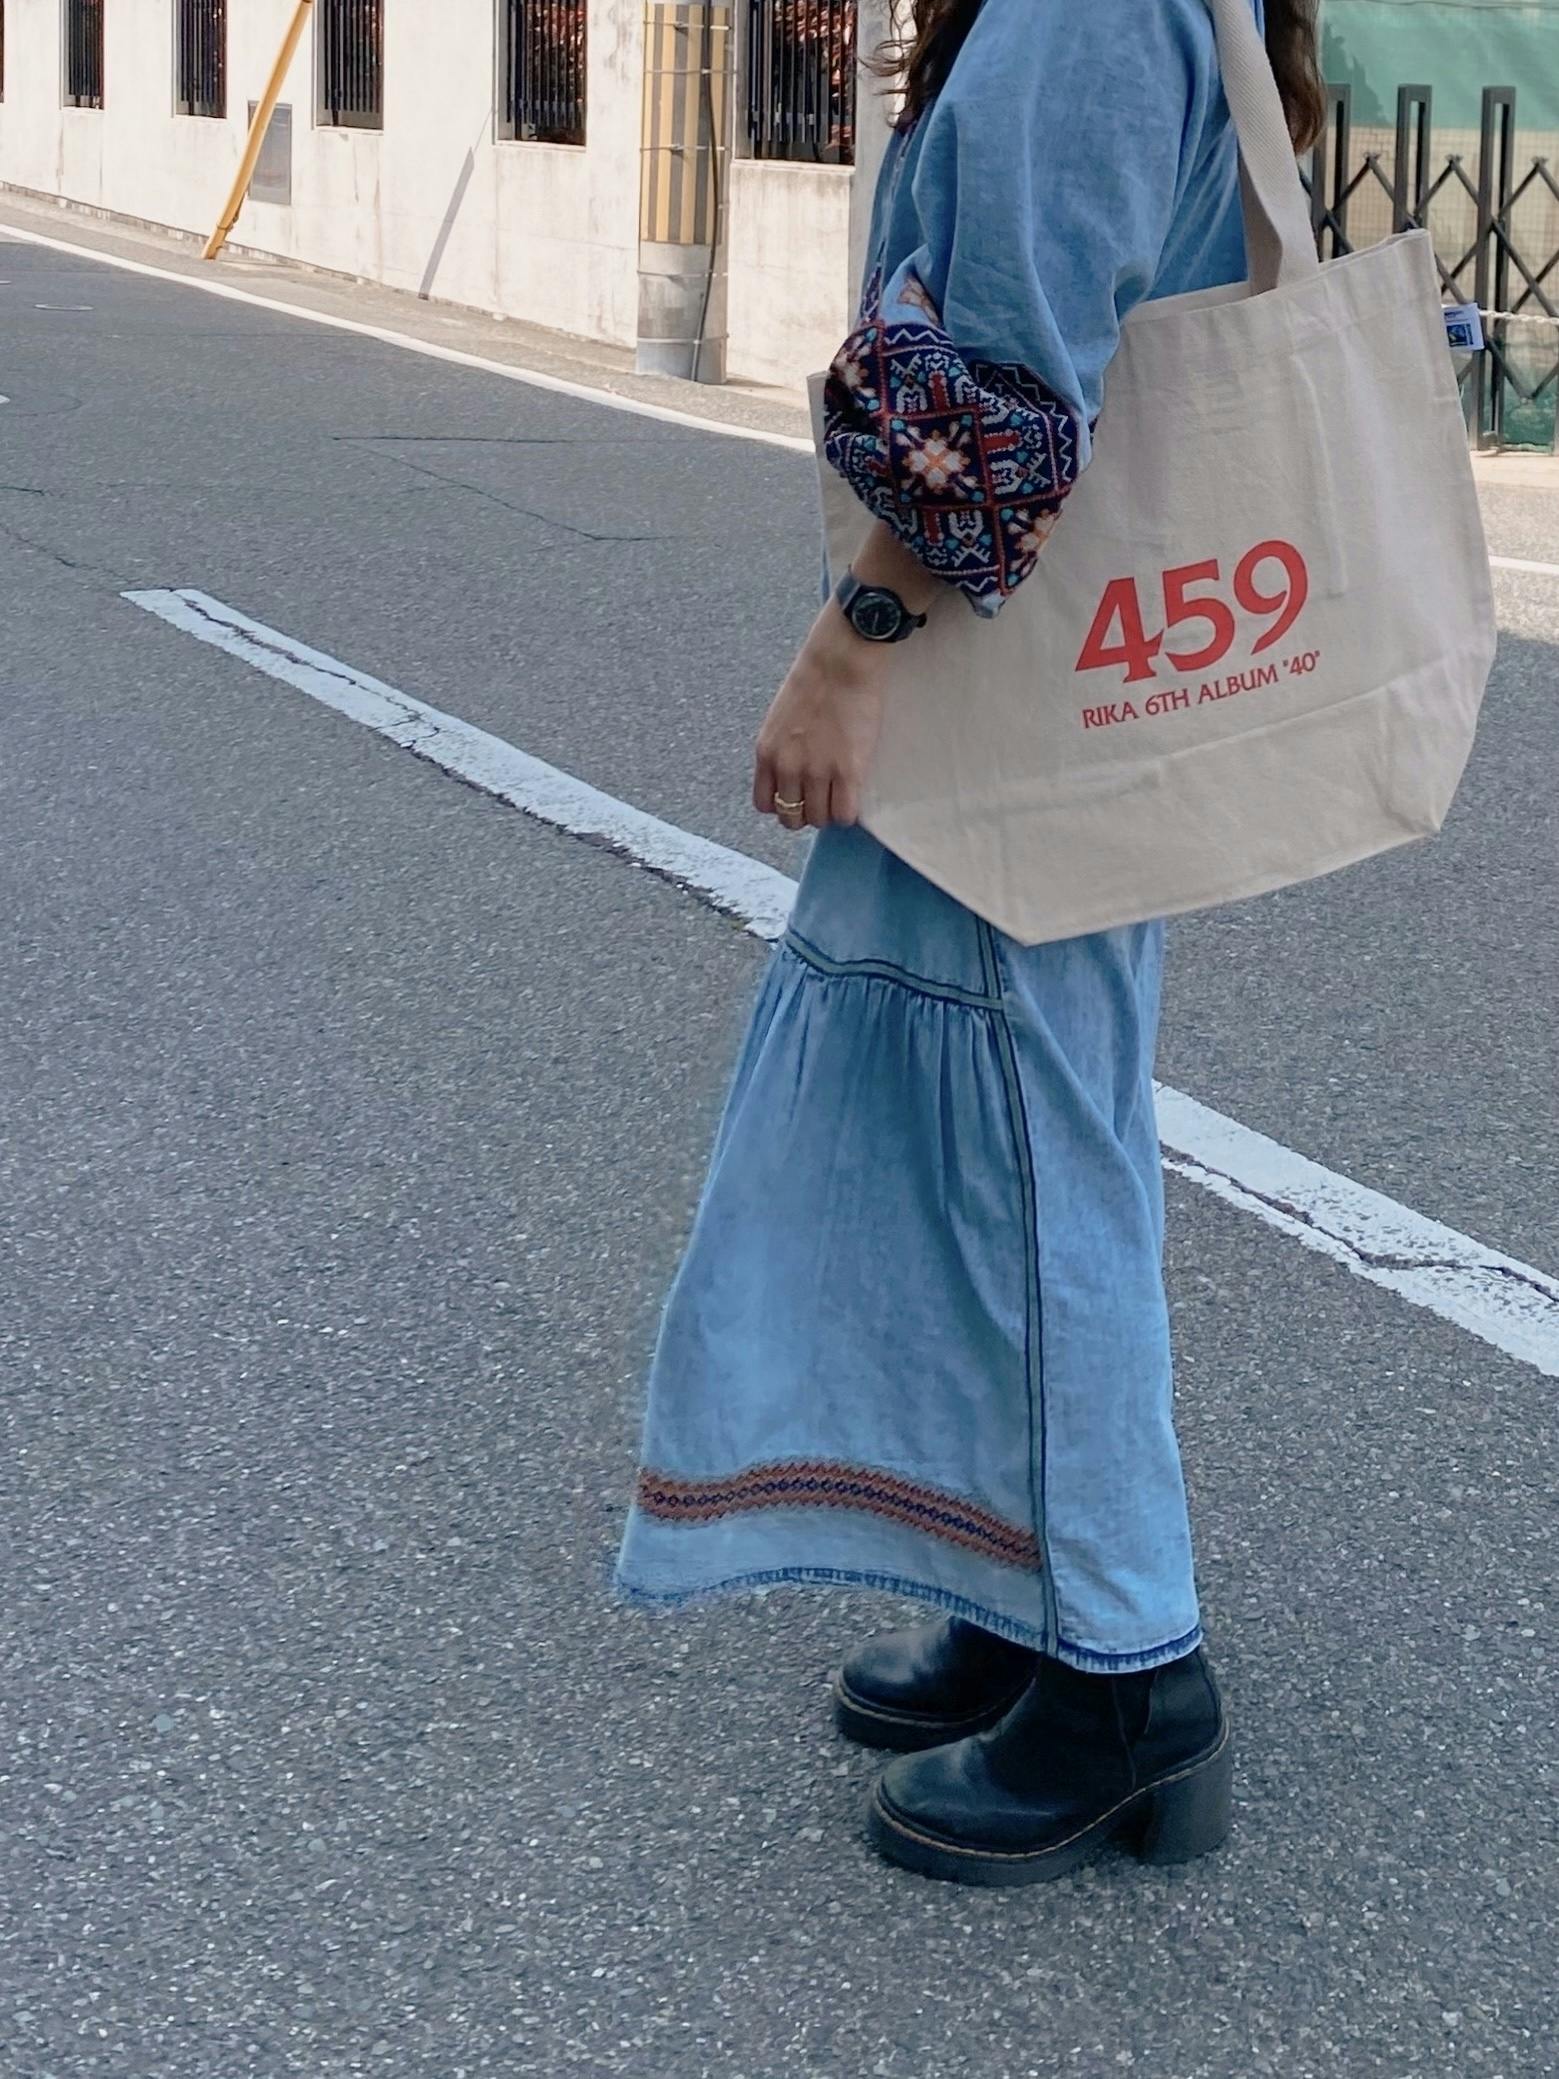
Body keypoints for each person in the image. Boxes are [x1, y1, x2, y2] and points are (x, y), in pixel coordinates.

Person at [616, 0, 1324, 1887]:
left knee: (1028, 1149)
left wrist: (851, 648)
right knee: (1000, 1131)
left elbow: (1006, 388)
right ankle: (1028, 1590)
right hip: (1041, 670)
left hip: (1012, 679)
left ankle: (1128, 1678)